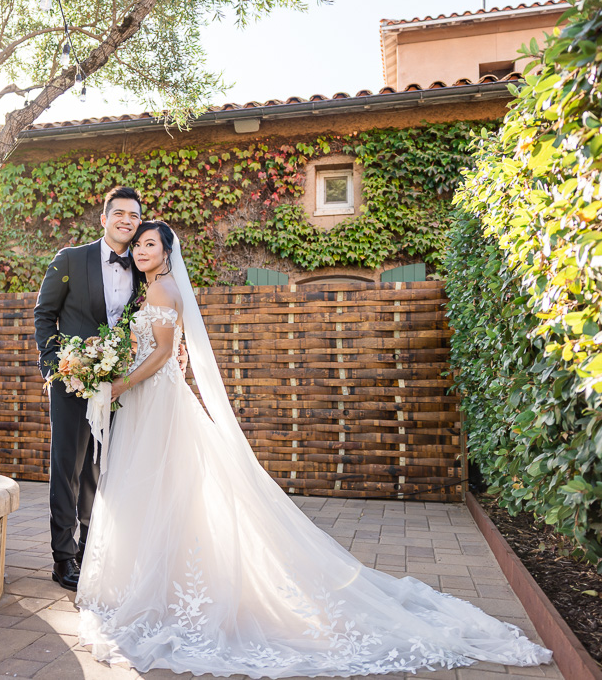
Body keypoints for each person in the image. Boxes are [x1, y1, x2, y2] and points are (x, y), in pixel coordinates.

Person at [75, 220, 553, 678]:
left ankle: (163, 590)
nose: (141, 251)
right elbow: (173, 350)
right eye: (138, 245)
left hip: (154, 399)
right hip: (153, 398)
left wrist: (121, 383)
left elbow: (160, 354)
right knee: (164, 493)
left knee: (162, 490)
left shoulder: (160, 289)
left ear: (166, 253)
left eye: (150, 245)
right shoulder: (156, 290)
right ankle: (162, 584)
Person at [34, 186, 147, 591]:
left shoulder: (143, 267)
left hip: (117, 385)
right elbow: (44, 316)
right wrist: (55, 367)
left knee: (99, 471)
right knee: (67, 468)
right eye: (119, 213)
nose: (126, 221)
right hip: (71, 382)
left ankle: (89, 551)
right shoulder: (70, 258)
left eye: (134, 216)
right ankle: (62, 558)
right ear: (104, 218)